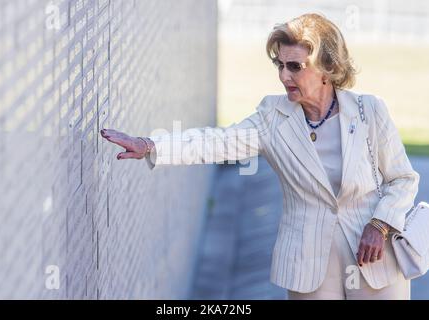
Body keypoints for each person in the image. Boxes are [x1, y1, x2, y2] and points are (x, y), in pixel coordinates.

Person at [101, 13, 420, 300]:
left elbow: (403, 179)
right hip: (309, 269)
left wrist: (380, 224)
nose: (283, 76)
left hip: (375, 260)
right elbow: (215, 142)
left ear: (328, 68)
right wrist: (150, 145)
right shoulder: (273, 116)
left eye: (295, 66)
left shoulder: (369, 112)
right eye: (279, 65)